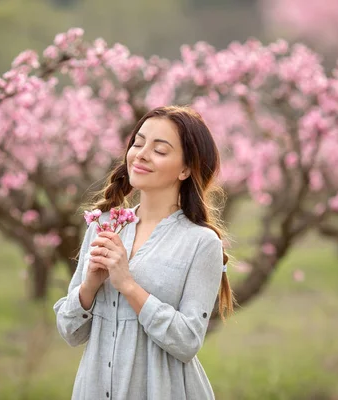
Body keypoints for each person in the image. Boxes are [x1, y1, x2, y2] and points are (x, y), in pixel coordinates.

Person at [53, 105, 234, 400]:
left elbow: (188, 341)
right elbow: (70, 332)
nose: (141, 154)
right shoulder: (103, 226)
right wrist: (89, 286)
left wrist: (128, 285)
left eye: (160, 150)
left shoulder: (201, 242)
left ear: (186, 168)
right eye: (138, 143)